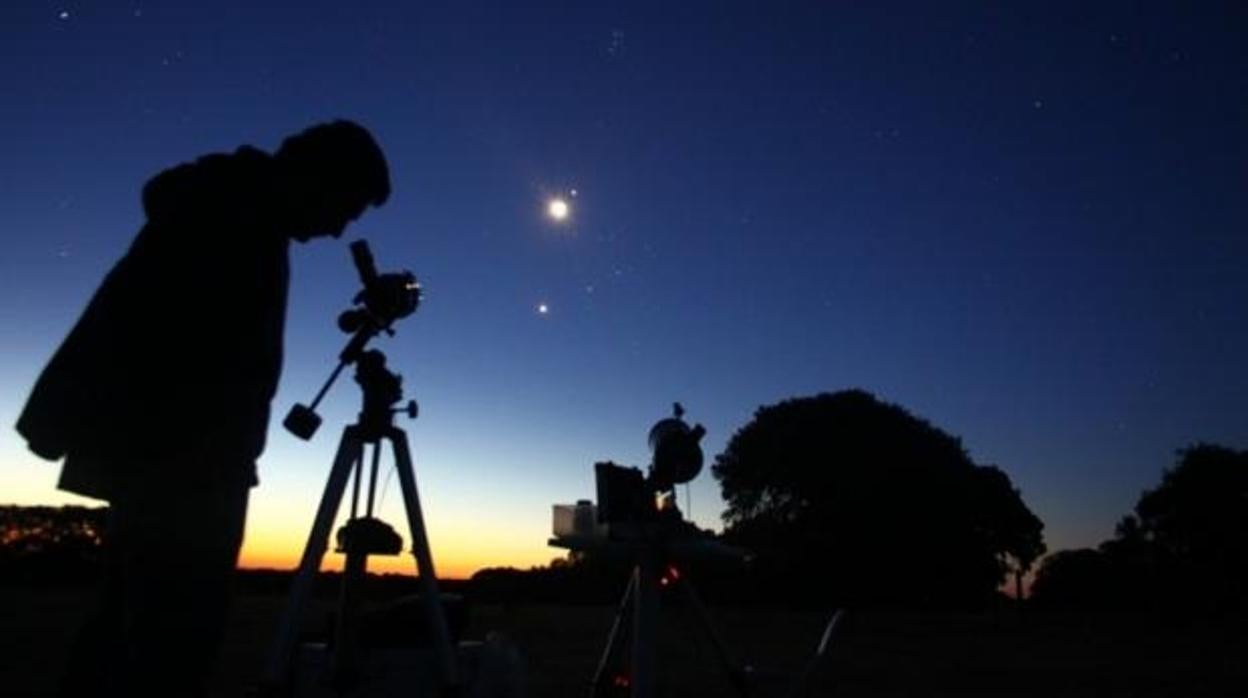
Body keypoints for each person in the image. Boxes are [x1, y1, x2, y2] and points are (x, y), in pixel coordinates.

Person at [15, 120, 391, 697]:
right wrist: (210, 461)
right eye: (345, 206)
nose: (340, 228)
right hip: (180, 467)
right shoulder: (228, 218)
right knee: (167, 647)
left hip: (175, 462)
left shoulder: (235, 211)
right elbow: (177, 350)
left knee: (123, 631)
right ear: (315, 175)